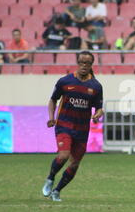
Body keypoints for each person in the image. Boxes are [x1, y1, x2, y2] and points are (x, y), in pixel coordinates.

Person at [42, 51, 104, 202]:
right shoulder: (65, 81)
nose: (84, 66)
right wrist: (51, 117)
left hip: (82, 130)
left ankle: (57, 191)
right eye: (81, 62)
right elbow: (52, 100)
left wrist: (97, 115)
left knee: (75, 163)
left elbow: (99, 108)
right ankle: (50, 179)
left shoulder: (96, 86)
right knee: (63, 155)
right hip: (64, 125)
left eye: (87, 63)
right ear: (77, 63)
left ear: (91, 65)